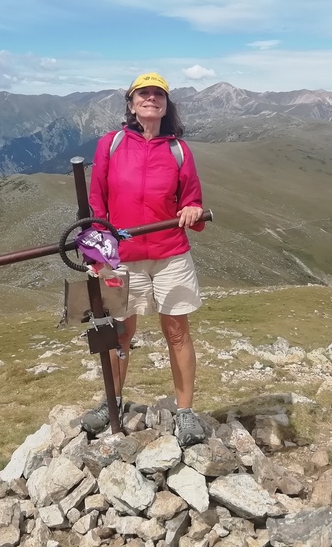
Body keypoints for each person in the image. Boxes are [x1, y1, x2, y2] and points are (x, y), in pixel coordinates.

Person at [80, 72, 208, 447]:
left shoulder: (179, 150)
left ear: (166, 105)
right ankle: (112, 403)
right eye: (143, 94)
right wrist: (98, 253)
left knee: (177, 333)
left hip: (170, 254)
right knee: (120, 333)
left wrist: (192, 210)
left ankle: (185, 413)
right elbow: (96, 201)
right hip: (122, 257)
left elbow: (193, 199)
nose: (151, 98)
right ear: (132, 104)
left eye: (158, 94)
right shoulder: (112, 144)